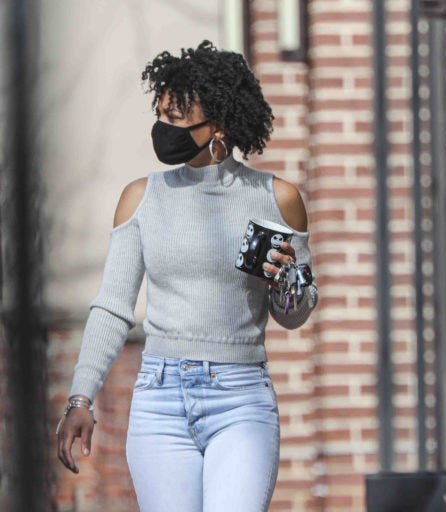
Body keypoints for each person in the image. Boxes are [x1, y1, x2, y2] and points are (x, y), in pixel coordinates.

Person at [55, 41, 318, 512]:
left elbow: (293, 316)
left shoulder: (277, 198)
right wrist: (81, 396)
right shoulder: (141, 199)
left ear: (218, 124)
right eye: (161, 115)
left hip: (241, 400)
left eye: (177, 118)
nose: (164, 130)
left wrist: (287, 283)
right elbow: (113, 309)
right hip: (160, 401)